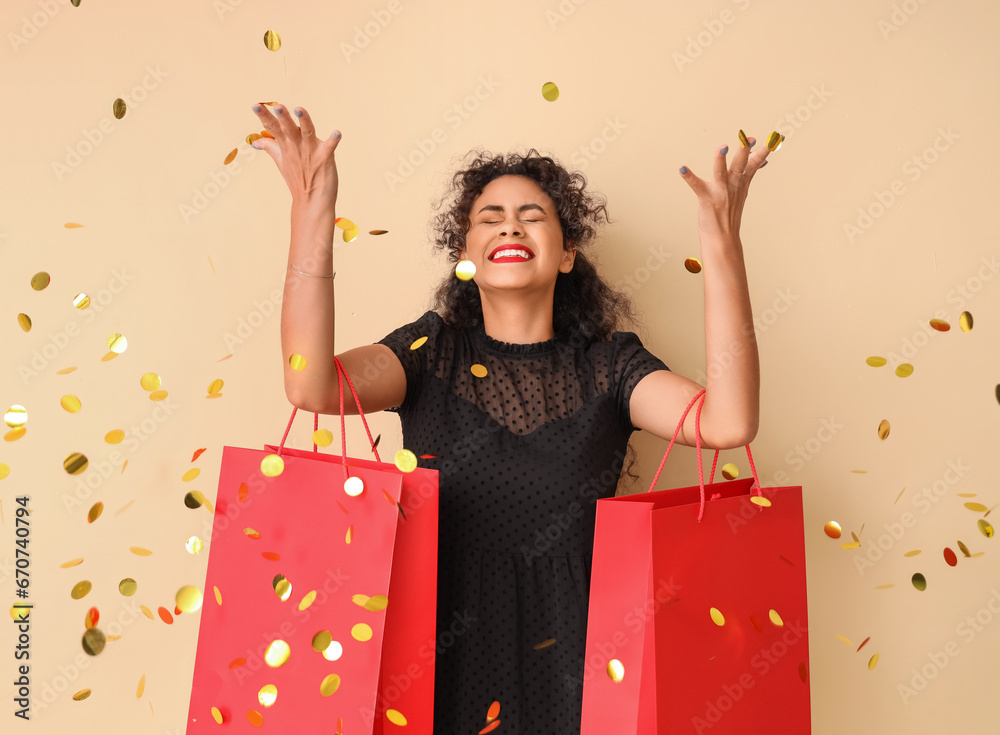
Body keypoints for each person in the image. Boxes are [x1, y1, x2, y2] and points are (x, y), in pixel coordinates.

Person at [251, 101, 775, 733]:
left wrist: (722, 245)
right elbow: (310, 385)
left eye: (533, 216)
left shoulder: (612, 367)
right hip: (433, 674)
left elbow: (728, 423)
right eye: (489, 218)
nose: (510, 228)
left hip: (584, 678)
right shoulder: (428, 352)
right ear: (466, 254)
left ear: (567, 254)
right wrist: (312, 215)